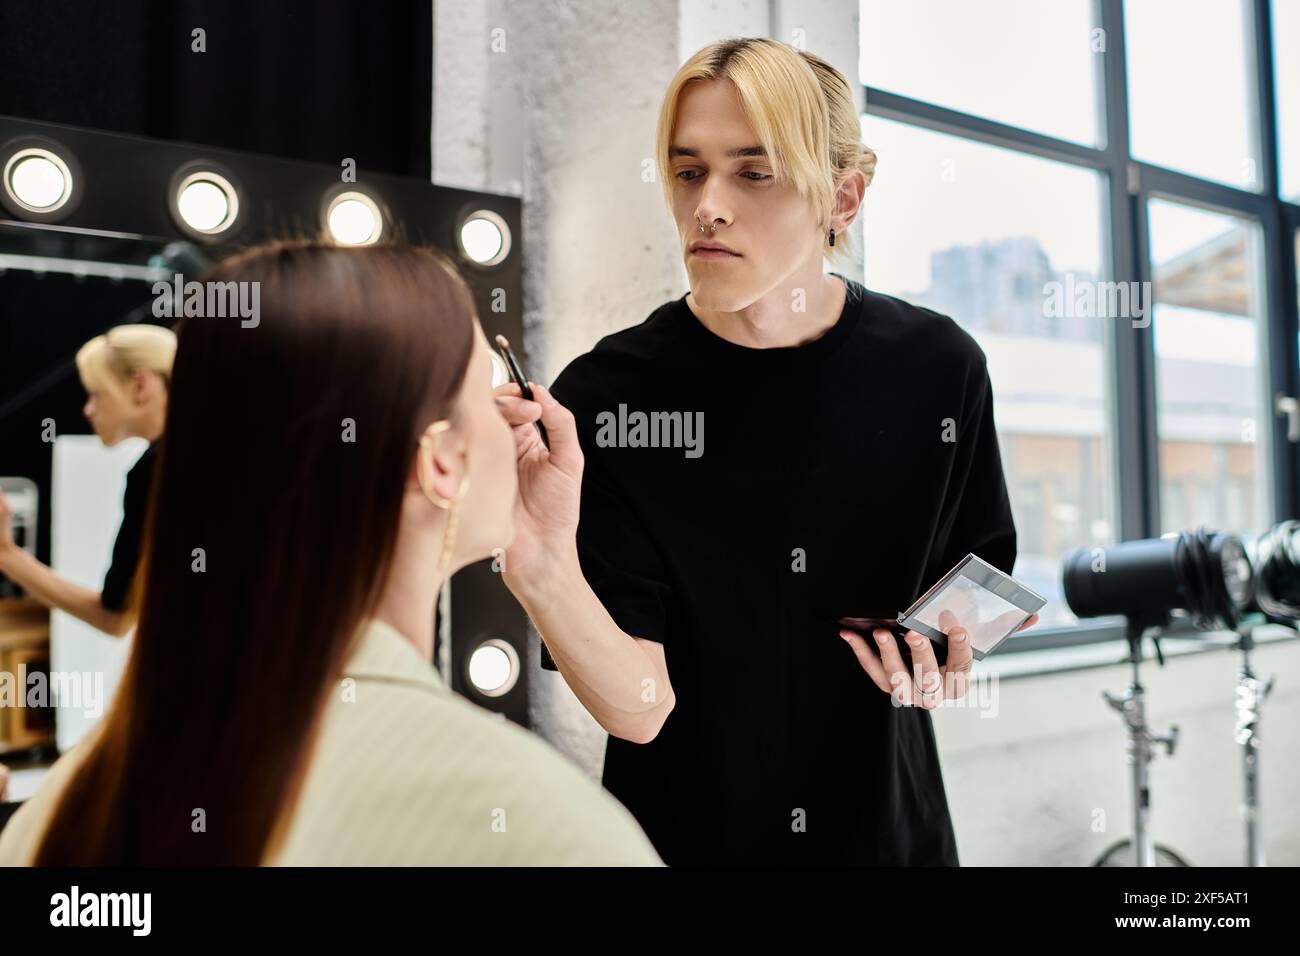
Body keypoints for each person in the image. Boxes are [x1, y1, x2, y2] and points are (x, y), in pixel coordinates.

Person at [493, 38, 1038, 865]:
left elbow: (979, 584)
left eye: (754, 172)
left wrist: (944, 649)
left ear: (843, 199)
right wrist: (538, 567)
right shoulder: (605, 398)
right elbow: (639, 707)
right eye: (687, 172)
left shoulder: (941, 368)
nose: (708, 205)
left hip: (891, 839)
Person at [0, 240, 660, 866]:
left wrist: (542, 558)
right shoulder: (540, 825)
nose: (515, 414)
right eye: (489, 381)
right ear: (440, 462)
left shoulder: (69, 807)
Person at [0, 325, 174, 637]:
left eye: (97, 393)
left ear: (140, 386)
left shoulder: (154, 471)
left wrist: (7, 555)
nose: (88, 409)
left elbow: (114, 617)